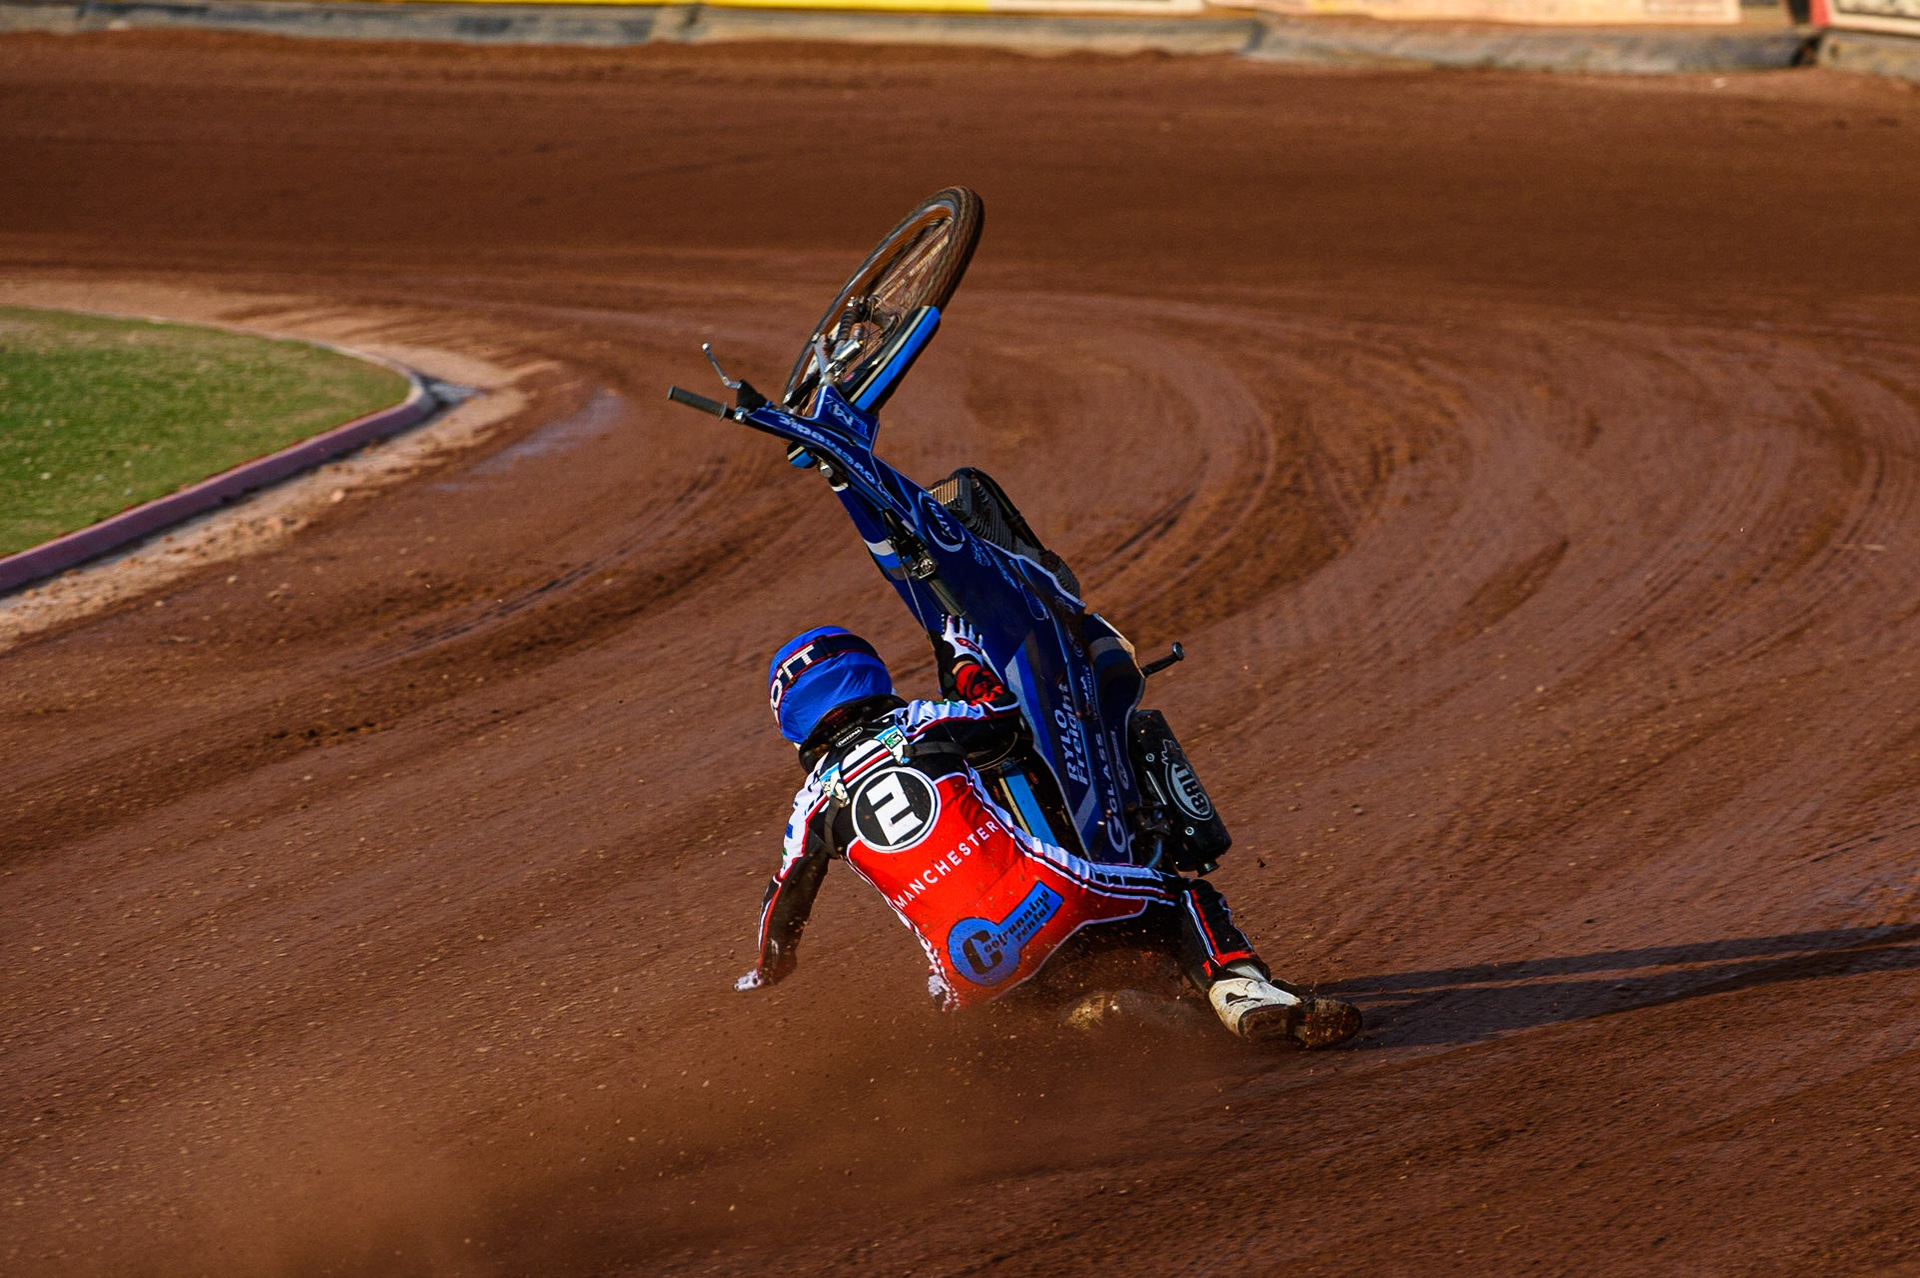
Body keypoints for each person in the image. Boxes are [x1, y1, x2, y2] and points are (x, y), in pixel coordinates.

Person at [733, 616, 1361, 1048]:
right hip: (1051, 895)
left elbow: (779, 920)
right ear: (867, 675)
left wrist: (766, 973)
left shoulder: (809, 809)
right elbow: (1003, 719)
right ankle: (1242, 994)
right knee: (1179, 898)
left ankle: (1077, 1025)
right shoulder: (921, 722)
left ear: (791, 716)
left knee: (977, 1021)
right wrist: (963, 653)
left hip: (969, 966)